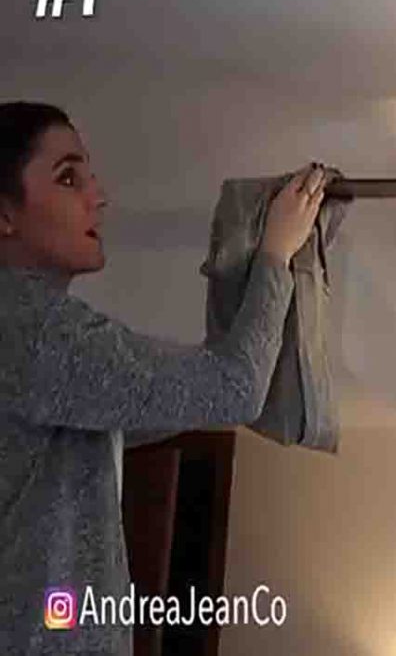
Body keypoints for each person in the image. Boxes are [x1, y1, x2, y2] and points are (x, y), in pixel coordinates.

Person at [0, 101, 329, 654]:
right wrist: (275, 253)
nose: (97, 197)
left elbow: (137, 418)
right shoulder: (35, 331)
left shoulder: (29, 344)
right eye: (67, 177)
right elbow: (234, 391)